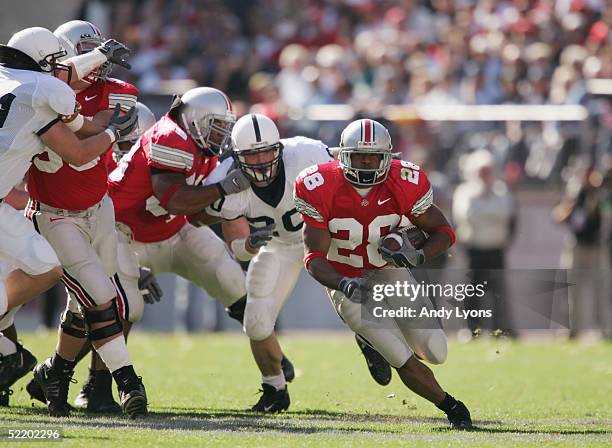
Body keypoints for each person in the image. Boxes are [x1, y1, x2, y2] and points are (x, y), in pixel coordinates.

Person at [191, 113, 389, 412]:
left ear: (279, 147)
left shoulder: (304, 154)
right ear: (236, 156)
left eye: (266, 151)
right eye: (251, 154)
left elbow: (345, 163)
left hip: (324, 237)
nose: (260, 161)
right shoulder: (224, 181)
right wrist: (250, 244)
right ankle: (274, 389)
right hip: (279, 247)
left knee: (354, 307)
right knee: (256, 323)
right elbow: (237, 249)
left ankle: (368, 339)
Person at [294, 118, 473, 430]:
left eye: (373, 157)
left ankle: (370, 340)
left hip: (387, 270)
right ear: (342, 156)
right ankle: (450, 405)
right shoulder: (320, 186)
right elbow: (313, 259)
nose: (366, 163)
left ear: (388, 157)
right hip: (344, 277)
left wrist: (416, 253)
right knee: (398, 354)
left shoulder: (404, 181)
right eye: (359, 156)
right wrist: (343, 283)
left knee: (436, 351)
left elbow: (443, 232)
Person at [22, 20, 148, 417]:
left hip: (99, 206)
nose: (99, 61)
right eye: (87, 51)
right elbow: (80, 146)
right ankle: (129, 383)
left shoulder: (118, 93)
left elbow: (102, 126)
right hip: (55, 214)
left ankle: (54, 373)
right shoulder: (43, 95)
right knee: (100, 295)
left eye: (100, 51)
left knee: (86, 302)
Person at [106, 87, 260, 379]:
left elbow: (196, 214)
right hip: (120, 232)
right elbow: (174, 200)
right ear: (194, 121)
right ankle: (77, 376)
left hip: (171, 229)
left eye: (224, 128)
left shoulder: (202, 152)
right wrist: (224, 188)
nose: (221, 136)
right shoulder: (169, 138)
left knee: (233, 281)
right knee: (122, 308)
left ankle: (273, 365)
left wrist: (229, 206)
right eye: (217, 127)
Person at [452, 149, 516, 335]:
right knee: (472, 292)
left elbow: (508, 217)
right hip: (474, 249)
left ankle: (502, 329)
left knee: (499, 292)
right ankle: (472, 329)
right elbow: (467, 216)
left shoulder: (502, 192)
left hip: (496, 249)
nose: (485, 175)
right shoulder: (465, 192)